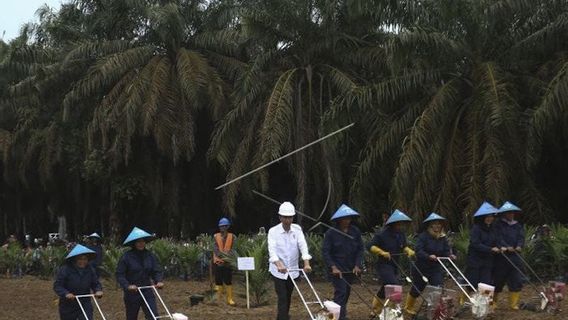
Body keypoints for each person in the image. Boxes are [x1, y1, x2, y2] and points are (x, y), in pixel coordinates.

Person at [268, 201, 312, 320]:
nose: (287, 220)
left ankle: (283, 316)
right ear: (280, 217)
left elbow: (303, 246)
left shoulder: (297, 229)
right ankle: (283, 317)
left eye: (290, 217)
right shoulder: (273, 231)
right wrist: (278, 264)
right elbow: (272, 251)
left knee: (288, 296)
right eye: (285, 217)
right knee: (282, 297)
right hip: (278, 271)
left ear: (293, 217)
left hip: (292, 270)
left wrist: (306, 263)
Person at [404, 212, 455, 315]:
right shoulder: (423, 236)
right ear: (430, 225)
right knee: (418, 288)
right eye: (435, 224)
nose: (437, 226)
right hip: (422, 267)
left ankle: (432, 309)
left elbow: (445, 250)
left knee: (437, 287)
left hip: (435, 267)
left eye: (439, 224)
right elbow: (418, 250)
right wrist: (428, 256)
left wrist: (450, 255)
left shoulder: (442, 237)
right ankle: (408, 307)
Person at [367, 209, 415, 317]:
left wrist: (408, 250)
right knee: (395, 285)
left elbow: (403, 246)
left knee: (386, 287)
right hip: (383, 265)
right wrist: (381, 252)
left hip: (394, 265)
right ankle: (395, 309)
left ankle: (375, 309)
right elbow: (370, 246)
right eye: (398, 223)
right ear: (393, 223)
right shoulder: (382, 234)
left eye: (402, 223)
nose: (400, 225)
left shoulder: (400, 234)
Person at [322, 204, 364, 320]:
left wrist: (357, 265)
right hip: (337, 268)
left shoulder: (355, 231)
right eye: (345, 218)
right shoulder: (331, 233)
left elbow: (360, 249)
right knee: (341, 292)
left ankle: (335, 315)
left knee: (346, 293)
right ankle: (340, 317)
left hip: (350, 268)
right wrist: (333, 267)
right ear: (339, 220)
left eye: (349, 218)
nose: (347, 221)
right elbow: (326, 251)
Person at [116, 227, 164, 320]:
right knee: (132, 317)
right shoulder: (126, 257)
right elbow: (120, 274)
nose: (141, 244)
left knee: (153, 315)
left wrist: (158, 280)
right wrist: (127, 285)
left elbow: (156, 270)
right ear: (134, 243)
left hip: (147, 289)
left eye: (142, 241)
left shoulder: (150, 255)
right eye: (138, 242)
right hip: (132, 292)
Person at [463, 201, 502, 304]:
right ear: (482, 217)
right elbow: (475, 244)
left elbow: (497, 240)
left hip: (488, 260)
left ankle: (485, 306)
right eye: (487, 216)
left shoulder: (493, 229)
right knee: (472, 283)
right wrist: (490, 249)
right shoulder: (476, 228)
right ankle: (463, 300)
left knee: (486, 283)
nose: (490, 218)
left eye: (491, 216)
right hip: (475, 260)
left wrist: (499, 247)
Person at [53, 244, 103, 320]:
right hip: (68, 304)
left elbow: (95, 283)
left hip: (85, 302)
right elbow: (57, 285)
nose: (83, 261)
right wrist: (66, 293)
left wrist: (98, 290)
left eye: (85, 259)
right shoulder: (65, 269)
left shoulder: (90, 269)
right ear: (74, 259)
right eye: (80, 259)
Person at [493, 201, 524, 310]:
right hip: (502, 257)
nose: (511, 215)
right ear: (504, 214)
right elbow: (497, 238)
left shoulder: (517, 225)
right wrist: (506, 246)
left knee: (516, 279)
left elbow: (521, 237)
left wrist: (519, 245)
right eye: (508, 213)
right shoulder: (498, 225)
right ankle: (493, 302)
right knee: (497, 280)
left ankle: (513, 304)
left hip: (515, 256)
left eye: (512, 213)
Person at [213, 217, 237, 306]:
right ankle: (217, 299)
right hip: (218, 262)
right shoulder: (216, 236)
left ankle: (230, 299)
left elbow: (233, 249)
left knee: (228, 281)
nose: (222, 228)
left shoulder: (232, 237)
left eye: (224, 226)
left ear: (227, 227)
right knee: (218, 281)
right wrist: (222, 256)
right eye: (221, 226)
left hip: (228, 263)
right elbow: (215, 249)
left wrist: (226, 257)